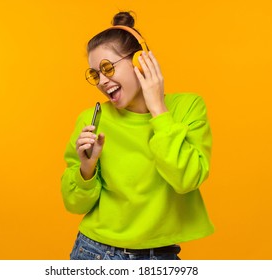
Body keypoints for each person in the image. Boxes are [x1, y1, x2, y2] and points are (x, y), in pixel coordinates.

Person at [61, 11, 214, 260]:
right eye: (95, 74)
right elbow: (74, 204)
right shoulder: (91, 119)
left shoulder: (188, 108)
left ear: (140, 62)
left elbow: (187, 179)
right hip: (96, 252)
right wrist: (86, 169)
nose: (102, 80)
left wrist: (158, 111)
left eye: (107, 68)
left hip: (161, 256)